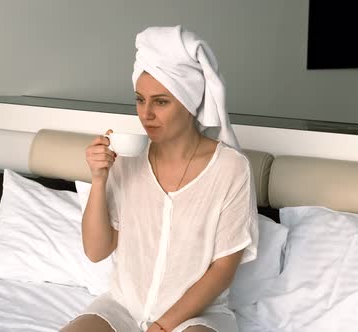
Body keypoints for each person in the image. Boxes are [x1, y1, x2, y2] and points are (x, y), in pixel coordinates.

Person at [60, 25, 259, 332]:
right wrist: (99, 180)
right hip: (122, 307)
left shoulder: (231, 169)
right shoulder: (125, 161)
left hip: (196, 316)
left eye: (161, 101)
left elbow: (222, 270)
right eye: (140, 100)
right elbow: (96, 251)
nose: (146, 114)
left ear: (190, 103)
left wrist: (163, 327)